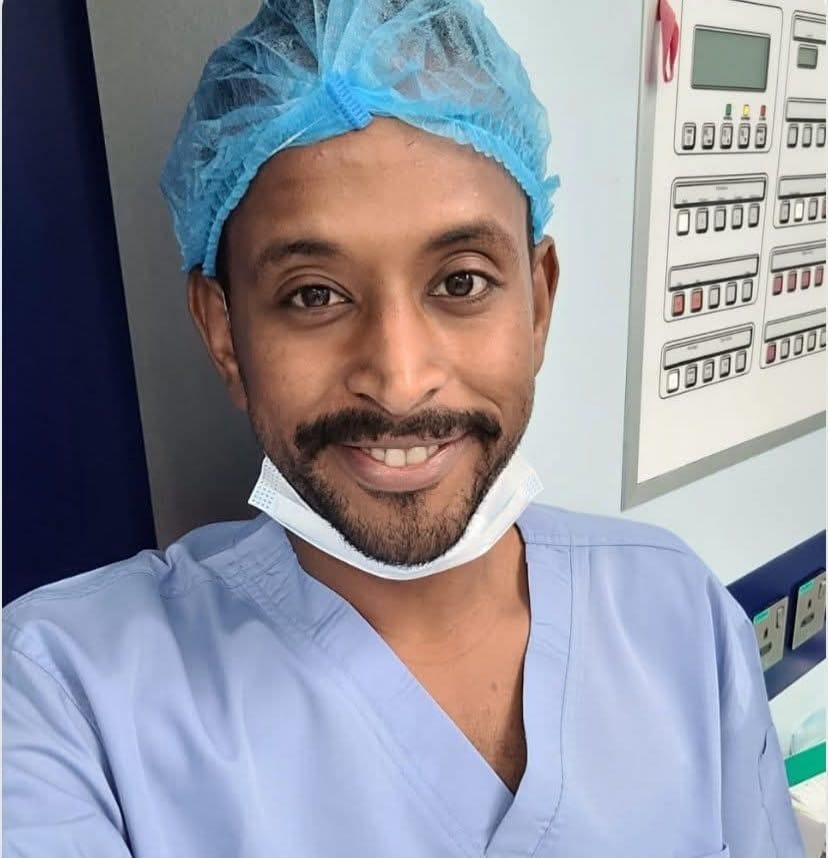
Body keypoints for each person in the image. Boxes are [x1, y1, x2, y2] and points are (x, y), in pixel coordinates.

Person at [2, 2, 804, 856]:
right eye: (314, 294)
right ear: (224, 332)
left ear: (538, 303)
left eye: (461, 282)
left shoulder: (676, 615)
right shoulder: (65, 700)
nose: (398, 378)